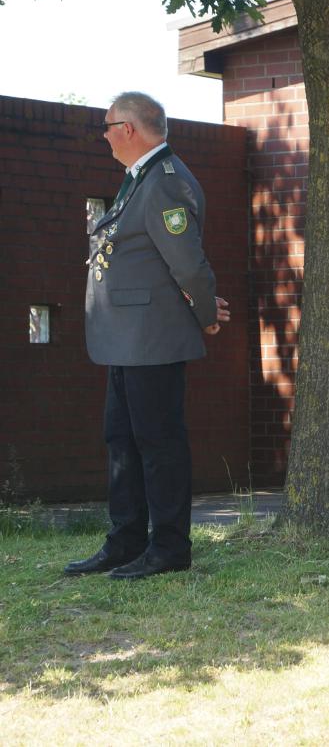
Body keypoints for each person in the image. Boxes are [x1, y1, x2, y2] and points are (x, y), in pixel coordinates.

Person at [64, 92, 229, 580]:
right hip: (127, 337)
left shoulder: (165, 182)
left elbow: (187, 263)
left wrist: (205, 312)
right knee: (122, 440)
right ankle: (126, 541)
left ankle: (170, 548)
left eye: (107, 127)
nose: (105, 137)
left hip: (152, 338)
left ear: (129, 129)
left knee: (158, 443)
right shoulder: (141, 179)